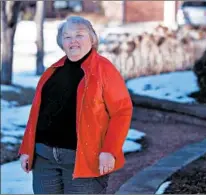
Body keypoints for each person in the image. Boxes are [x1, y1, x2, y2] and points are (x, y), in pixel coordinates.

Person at [18, 16, 133, 194]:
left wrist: (109, 150)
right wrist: (27, 149)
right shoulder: (53, 71)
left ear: (92, 39)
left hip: (84, 159)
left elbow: (122, 112)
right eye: (67, 37)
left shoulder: (104, 69)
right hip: (44, 159)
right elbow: (37, 113)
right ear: (61, 42)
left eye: (79, 35)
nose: (73, 41)